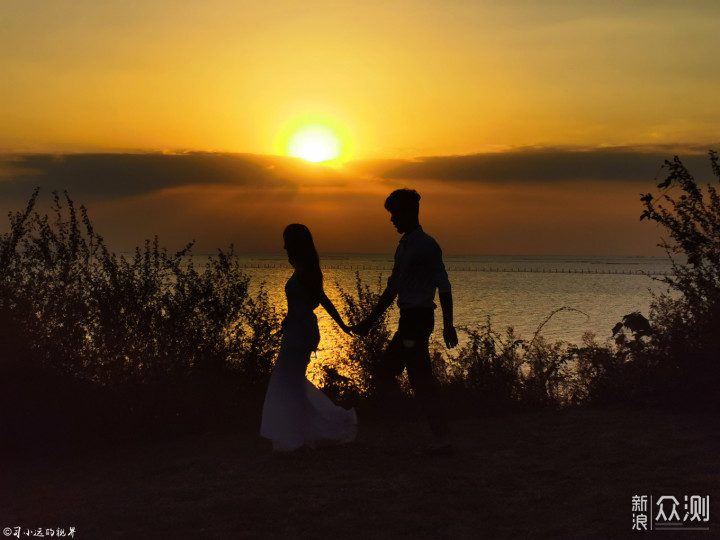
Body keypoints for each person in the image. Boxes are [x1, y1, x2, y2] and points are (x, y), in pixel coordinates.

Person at [350, 188, 457, 455]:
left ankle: (421, 432)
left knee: (394, 374)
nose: (392, 220)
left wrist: (448, 325)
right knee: (415, 378)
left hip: (419, 320)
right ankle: (434, 434)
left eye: (395, 214)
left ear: (408, 213)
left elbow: (443, 286)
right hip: (409, 319)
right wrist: (369, 321)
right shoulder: (404, 247)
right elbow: (392, 289)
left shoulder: (427, 245)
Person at [261, 224, 357, 452]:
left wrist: (342, 324)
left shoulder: (306, 271)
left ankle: (302, 434)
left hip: (302, 331)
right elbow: (304, 301)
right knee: (290, 382)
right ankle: (296, 434)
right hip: (296, 328)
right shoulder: (301, 268)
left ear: (296, 244)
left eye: (287, 241)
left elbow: (321, 300)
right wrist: (288, 318)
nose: (284, 246)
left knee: (288, 382)